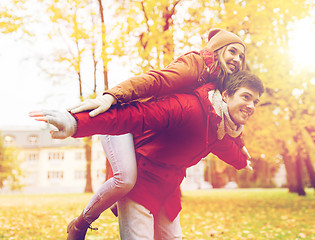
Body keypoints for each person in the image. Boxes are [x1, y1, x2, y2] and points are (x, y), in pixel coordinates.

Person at [41, 28, 247, 240]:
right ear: (217, 50)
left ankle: (117, 203)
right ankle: (81, 223)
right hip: (125, 118)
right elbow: (157, 80)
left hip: (147, 130)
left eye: (241, 56)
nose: (237, 59)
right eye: (232, 51)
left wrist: (239, 146)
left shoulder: (220, 85)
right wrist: (111, 97)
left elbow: (227, 116)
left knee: (130, 182)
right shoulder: (196, 65)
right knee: (126, 179)